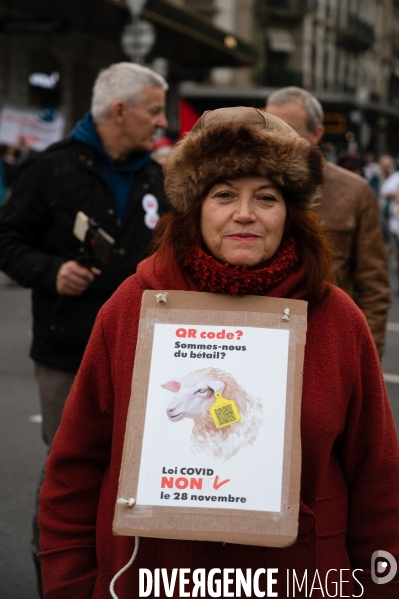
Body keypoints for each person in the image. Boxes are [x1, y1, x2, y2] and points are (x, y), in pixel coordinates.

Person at [38, 107, 399, 598]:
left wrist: (378, 584)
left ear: (291, 213)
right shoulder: (131, 307)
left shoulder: (338, 320)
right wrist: (73, 585)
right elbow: (74, 468)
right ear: (195, 208)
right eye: (224, 194)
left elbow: (379, 482)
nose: (245, 213)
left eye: (266, 198)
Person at [0, 61, 169, 591]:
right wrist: (50, 271)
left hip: (148, 352)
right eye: (155, 110)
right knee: (70, 474)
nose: (162, 123)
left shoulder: (158, 176)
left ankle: (121, 574)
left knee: (136, 471)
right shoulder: (51, 168)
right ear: (119, 111)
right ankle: (55, 574)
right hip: (67, 352)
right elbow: (7, 240)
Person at [264, 87, 390, 357]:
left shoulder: (354, 191)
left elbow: (374, 287)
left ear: (317, 133)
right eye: (270, 126)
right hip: (265, 336)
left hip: (326, 339)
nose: (276, 137)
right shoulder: (254, 186)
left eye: (289, 128)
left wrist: (368, 357)